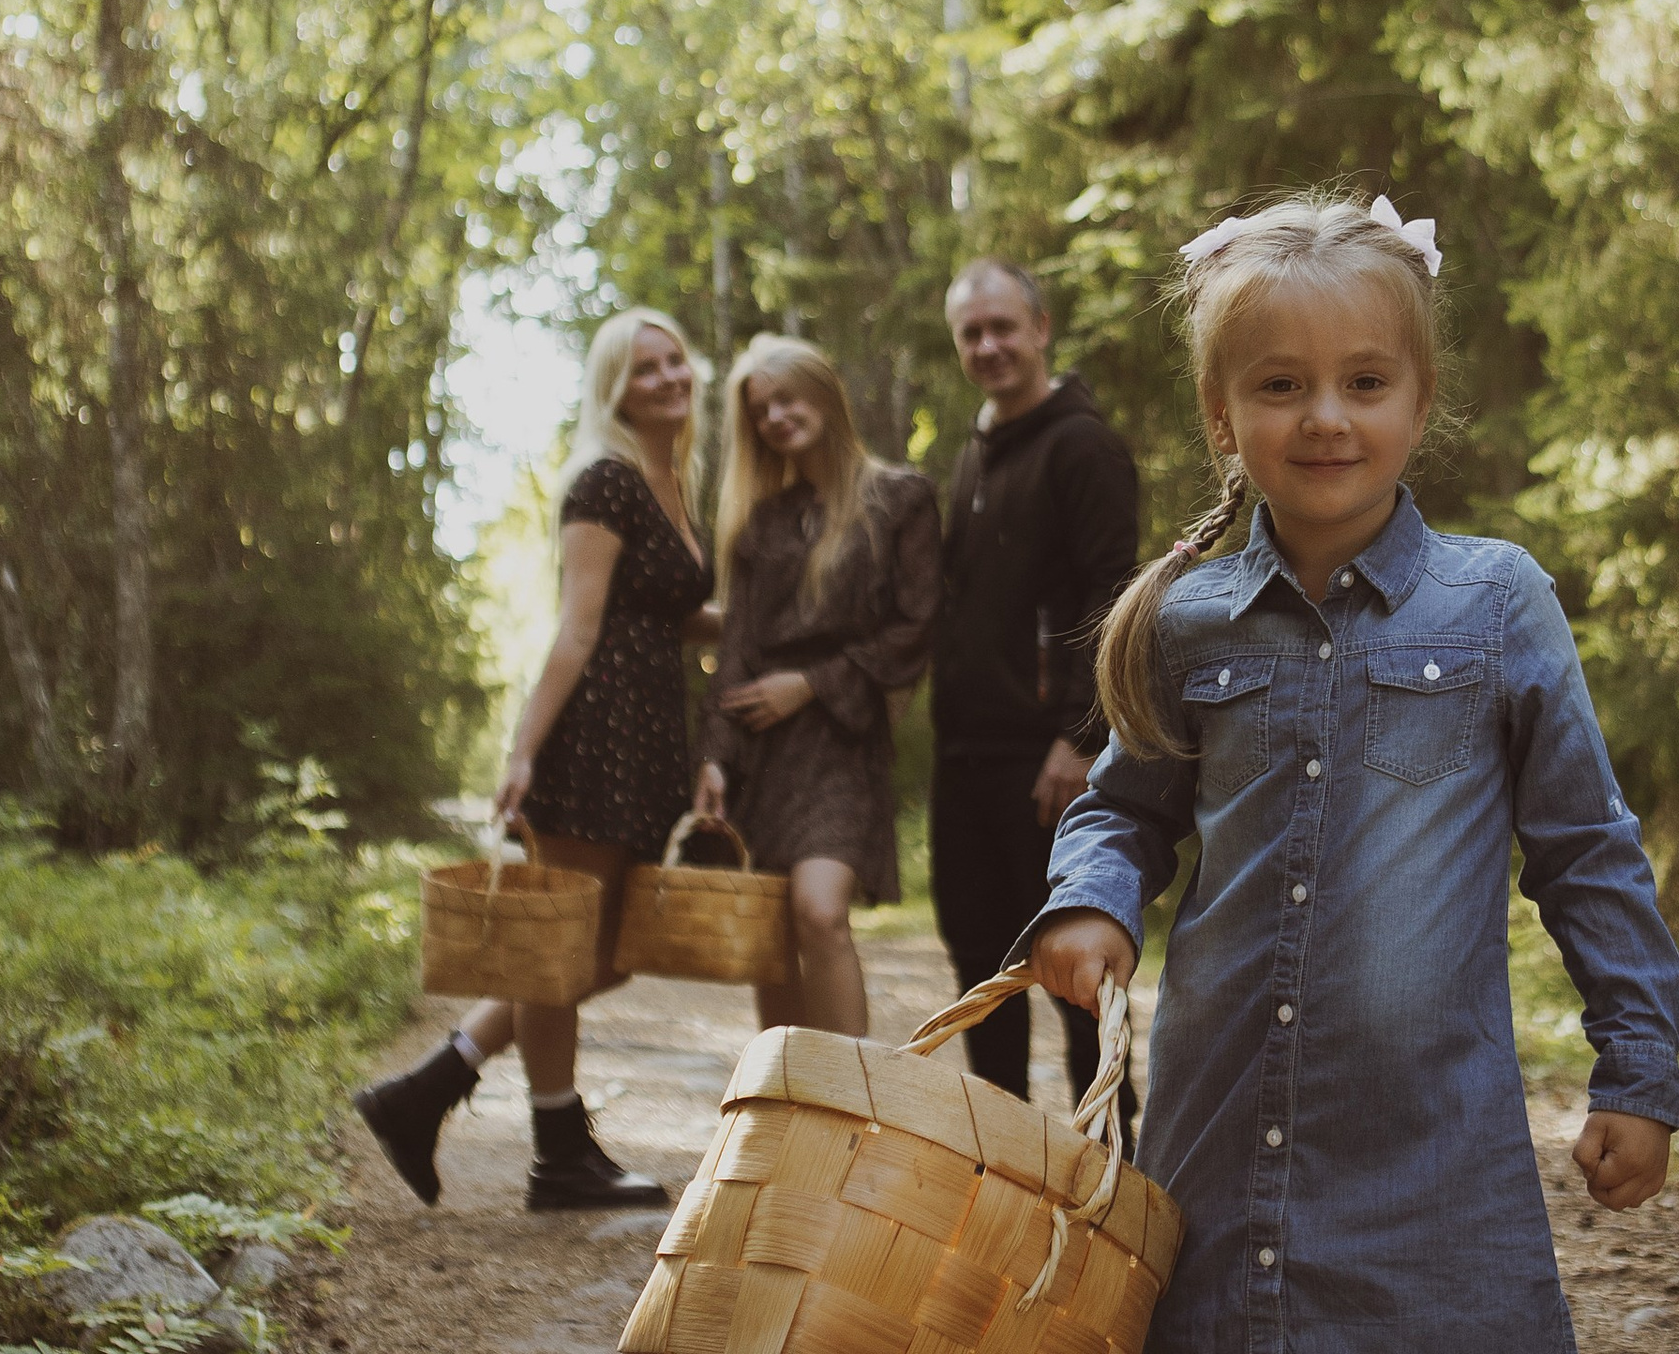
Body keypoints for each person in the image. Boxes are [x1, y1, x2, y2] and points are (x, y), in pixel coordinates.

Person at [1025, 191, 1679, 1354]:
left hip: (1442, 1154)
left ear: (1420, 397)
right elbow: (1120, 819)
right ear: (1222, 414)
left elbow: (1589, 851)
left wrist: (1635, 1068)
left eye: (1366, 381)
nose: (1328, 418)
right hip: (1230, 1154)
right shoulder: (1184, 623)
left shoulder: (1495, 605)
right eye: (1282, 385)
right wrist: (1083, 908)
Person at [356, 311, 712, 1215]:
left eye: (675, 360)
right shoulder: (605, 481)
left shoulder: (673, 478)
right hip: (594, 741)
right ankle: (557, 1154)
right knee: (561, 956)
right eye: (645, 369)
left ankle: (428, 1087)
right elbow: (579, 625)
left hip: (645, 745)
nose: (669, 376)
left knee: (607, 952)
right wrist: (522, 750)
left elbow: (668, 612)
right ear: (614, 390)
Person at [931, 256, 1140, 1111]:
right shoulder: (975, 459)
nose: (989, 346)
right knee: (983, 966)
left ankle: (1111, 1171)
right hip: (966, 757)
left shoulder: (1082, 447)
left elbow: (1112, 597)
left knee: (1074, 968)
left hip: (1047, 758)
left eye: (1003, 327)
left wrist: (1080, 737)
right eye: (971, 334)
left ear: (1042, 328)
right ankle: (1002, 1168)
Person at [694, 334, 942, 1039]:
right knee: (772, 942)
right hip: (758, 752)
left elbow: (916, 626)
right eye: (761, 409)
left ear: (825, 394)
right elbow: (737, 649)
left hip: (840, 739)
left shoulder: (902, 498)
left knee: (820, 912)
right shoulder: (760, 523)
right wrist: (713, 757)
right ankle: (784, 1104)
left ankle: (848, 1102)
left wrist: (810, 683)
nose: (775, 417)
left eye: (787, 398)